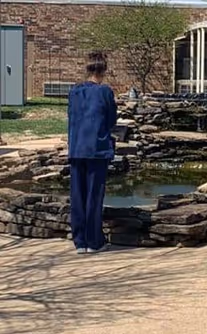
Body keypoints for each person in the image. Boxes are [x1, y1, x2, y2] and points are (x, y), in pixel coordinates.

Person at [68, 51, 118, 254]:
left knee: (77, 195)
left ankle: (80, 241)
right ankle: (94, 240)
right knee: (94, 196)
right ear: (104, 70)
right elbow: (111, 120)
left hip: (77, 147)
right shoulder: (105, 92)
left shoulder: (74, 91)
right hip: (97, 148)